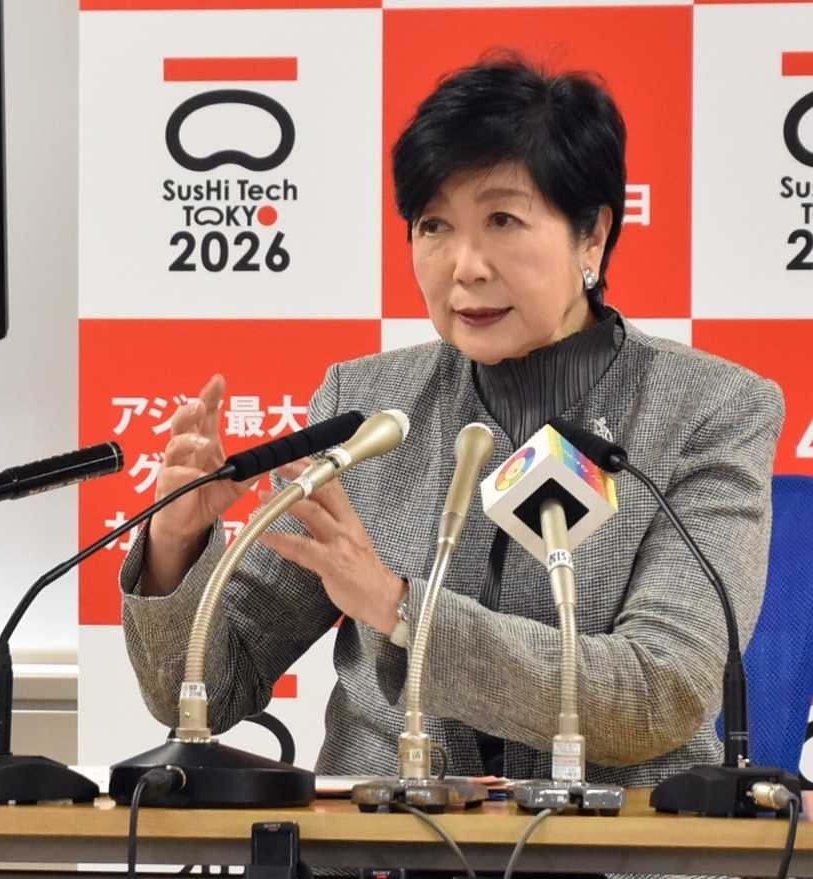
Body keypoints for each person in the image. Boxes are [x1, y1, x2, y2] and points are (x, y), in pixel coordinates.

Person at [119, 58, 784, 793]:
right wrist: (175, 546)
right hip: (381, 837)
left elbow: (658, 694)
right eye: (434, 225)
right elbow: (206, 691)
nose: (464, 267)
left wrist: (400, 611)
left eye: (502, 221)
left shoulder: (707, 409)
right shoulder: (367, 405)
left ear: (592, 236)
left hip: (612, 838)